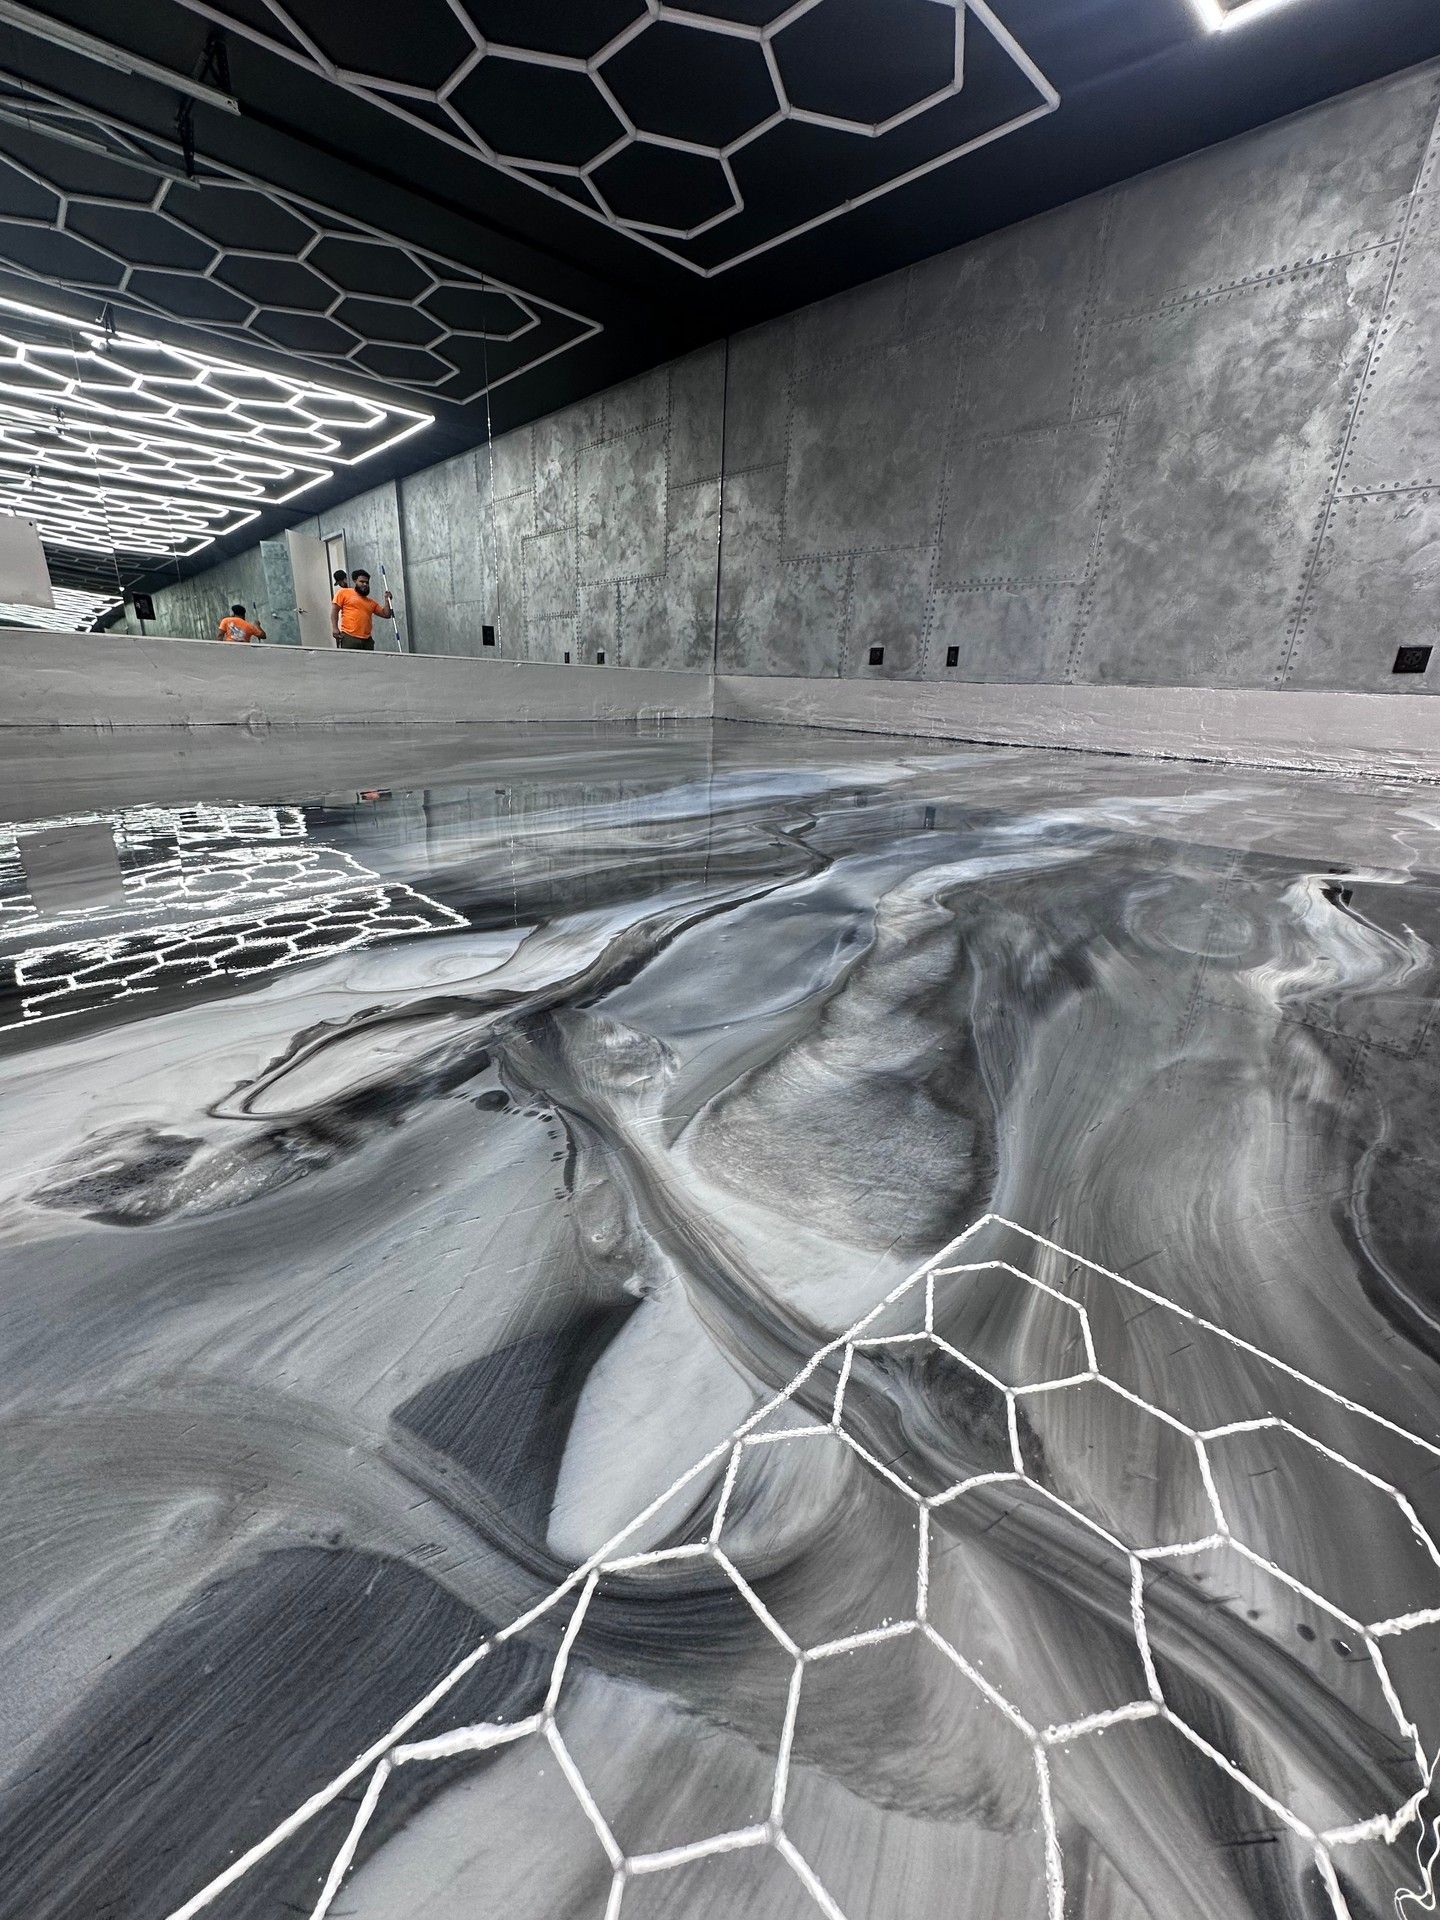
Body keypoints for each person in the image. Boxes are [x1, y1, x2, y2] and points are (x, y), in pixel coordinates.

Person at [331, 567, 392, 652]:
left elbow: (386, 614)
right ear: (355, 581)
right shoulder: (344, 593)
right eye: (362, 582)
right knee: (350, 664)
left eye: (367, 582)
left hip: (367, 641)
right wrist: (335, 628)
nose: (365, 584)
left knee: (367, 665)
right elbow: (334, 610)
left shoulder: (371, 602)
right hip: (350, 638)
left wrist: (387, 600)